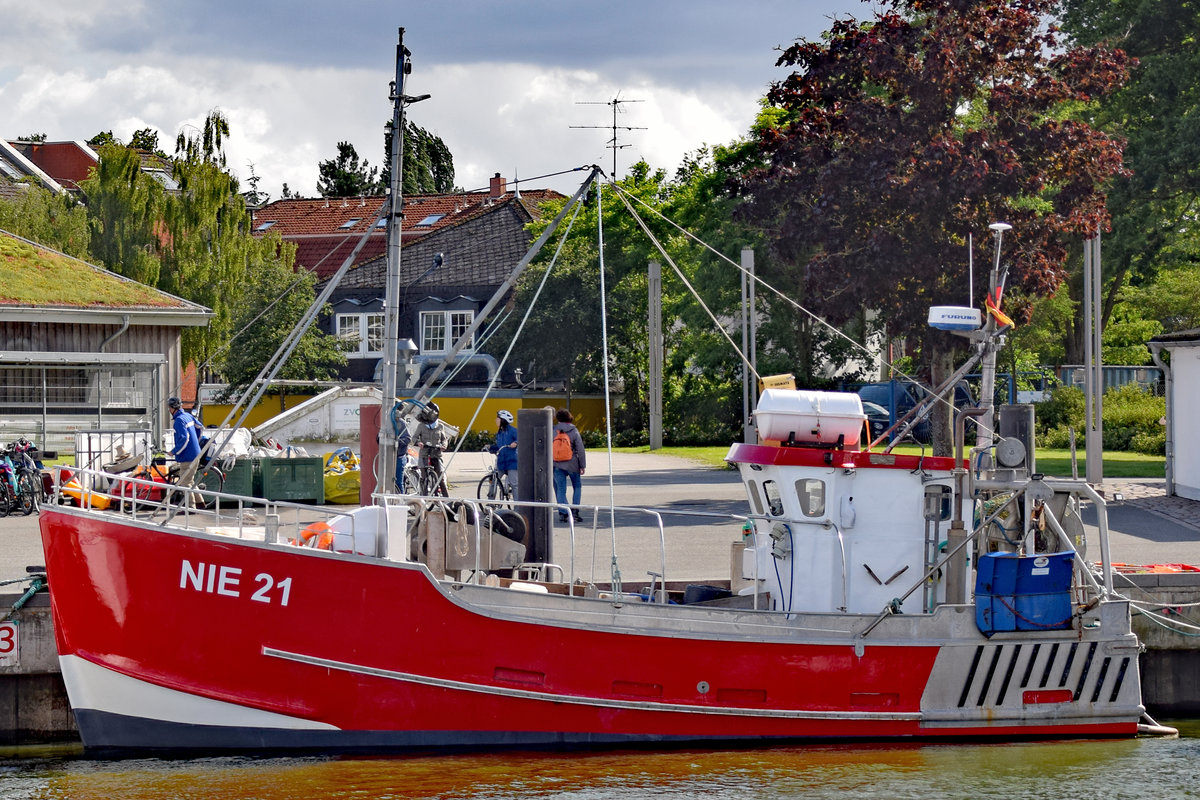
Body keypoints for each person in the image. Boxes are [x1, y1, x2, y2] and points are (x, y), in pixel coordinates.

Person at [552, 408, 586, 523]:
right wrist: (582, 465)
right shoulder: (573, 430)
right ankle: (575, 511)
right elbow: (580, 449)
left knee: (561, 489)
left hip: (557, 464)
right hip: (573, 464)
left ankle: (564, 513)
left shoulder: (554, 430)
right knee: (577, 486)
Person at [168, 396, 203, 492]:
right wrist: (196, 442)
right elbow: (200, 427)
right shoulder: (188, 416)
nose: (169, 410)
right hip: (196, 453)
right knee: (189, 482)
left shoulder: (179, 421)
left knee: (185, 484)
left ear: (173, 408)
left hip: (187, 456)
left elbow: (184, 439)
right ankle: (201, 504)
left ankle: (191, 506)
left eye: (169, 408)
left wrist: (174, 451)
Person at [487, 409, 518, 496]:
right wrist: (490, 447)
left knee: (514, 484)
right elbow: (499, 447)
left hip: (512, 462)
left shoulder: (513, 431)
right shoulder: (500, 433)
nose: (496, 420)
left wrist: (516, 443)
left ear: (503, 420)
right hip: (501, 462)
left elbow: (521, 439)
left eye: (498, 419)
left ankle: (518, 507)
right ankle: (491, 504)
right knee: (493, 481)